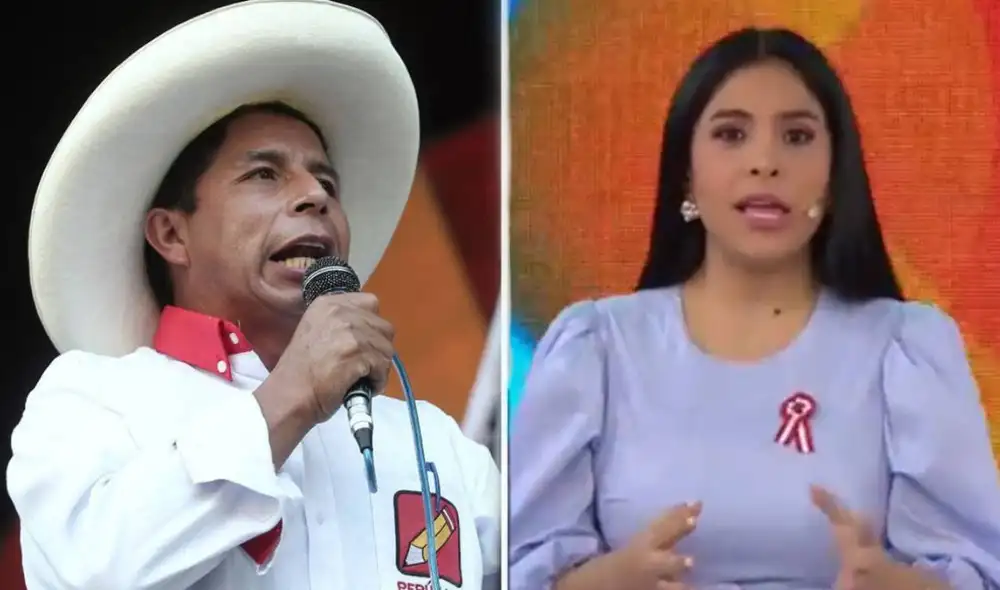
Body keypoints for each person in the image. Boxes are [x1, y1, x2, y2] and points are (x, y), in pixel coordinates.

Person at [7, 2, 499, 589]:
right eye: (265, 174)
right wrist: (293, 394)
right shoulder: (93, 400)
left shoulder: (436, 440)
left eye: (327, 182)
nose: (314, 195)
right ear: (171, 233)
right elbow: (97, 572)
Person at [509, 27, 1000, 590]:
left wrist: (892, 583)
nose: (765, 162)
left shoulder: (906, 349)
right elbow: (515, 568)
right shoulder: (595, 346)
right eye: (731, 134)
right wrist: (608, 581)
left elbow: (976, 575)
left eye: (796, 136)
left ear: (835, 175)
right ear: (686, 175)